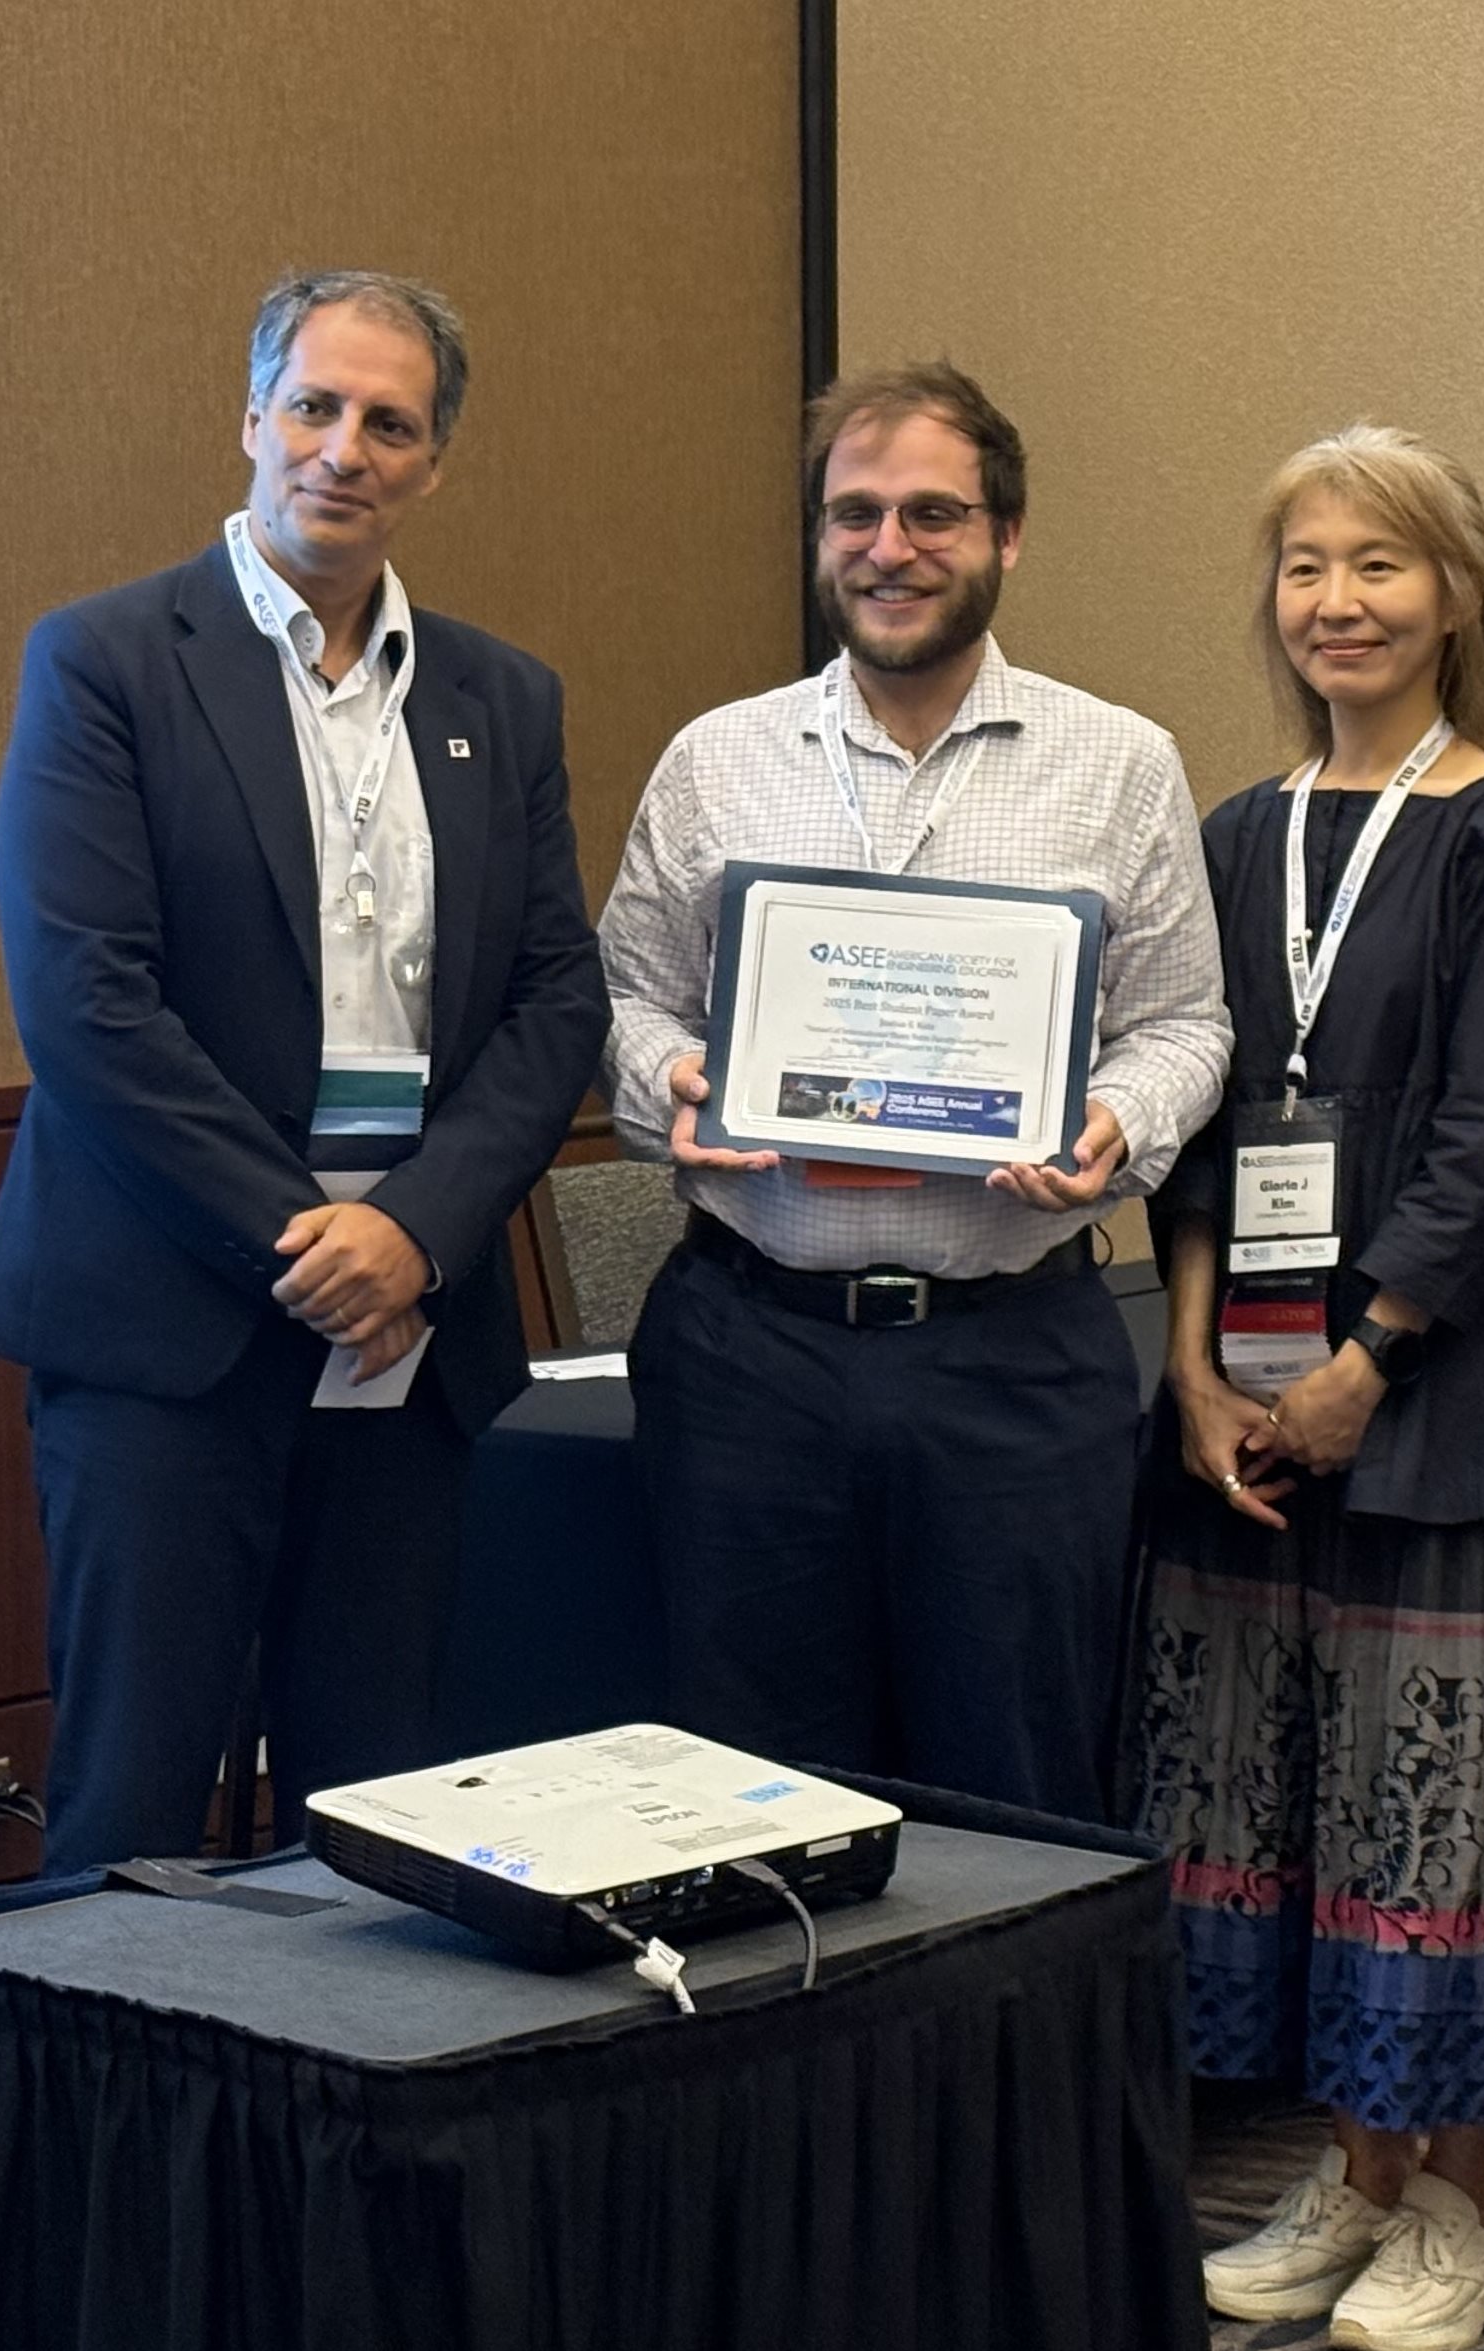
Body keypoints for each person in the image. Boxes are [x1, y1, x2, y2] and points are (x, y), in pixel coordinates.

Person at [0, 270, 609, 1875]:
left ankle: (334, 2136)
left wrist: (415, 1235)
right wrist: (307, 1243)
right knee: (131, 1799)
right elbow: (85, 1002)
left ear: (434, 461)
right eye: (315, 407)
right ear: (251, 418)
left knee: (379, 1803)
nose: (345, 449)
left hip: (413, 1329)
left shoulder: (501, 698)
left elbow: (554, 1002)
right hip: (170, 1320)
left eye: (390, 422)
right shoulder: (108, 659)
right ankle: (102, 2131)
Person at [1136, 425, 1484, 2351]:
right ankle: (1359, 2181)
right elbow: (1198, 1123)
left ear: (1455, 593)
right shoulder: (1229, 832)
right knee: (1302, 1807)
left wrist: (1367, 1360)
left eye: (1382, 565)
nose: (1340, 601)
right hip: (1248, 1406)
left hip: (1444, 1397)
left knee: (1445, 1814)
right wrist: (1193, 1365)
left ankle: (1474, 2211)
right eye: (1306, 567)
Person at [598, 359, 1230, 1822]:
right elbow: (624, 997)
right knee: (750, 1803)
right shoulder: (717, 760)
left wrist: (1115, 1126)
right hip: (754, 1351)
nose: (891, 549)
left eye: (934, 513)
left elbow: (1185, 1024)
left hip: (1011, 1359)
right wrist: (670, 1074)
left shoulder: (1120, 763)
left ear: (1008, 537)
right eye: (856, 514)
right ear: (819, 537)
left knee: (1013, 1795)